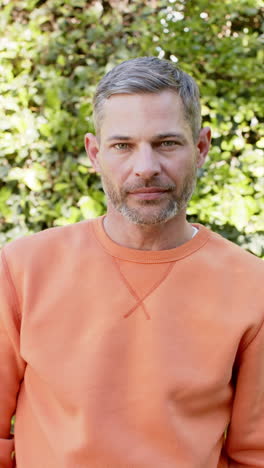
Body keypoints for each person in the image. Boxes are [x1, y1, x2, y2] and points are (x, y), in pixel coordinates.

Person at [0, 56, 263, 468]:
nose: (145, 168)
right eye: (123, 146)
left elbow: (255, 453)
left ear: (201, 147)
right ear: (94, 153)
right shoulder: (21, 269)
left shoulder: (253, 286)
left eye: (166, 143)